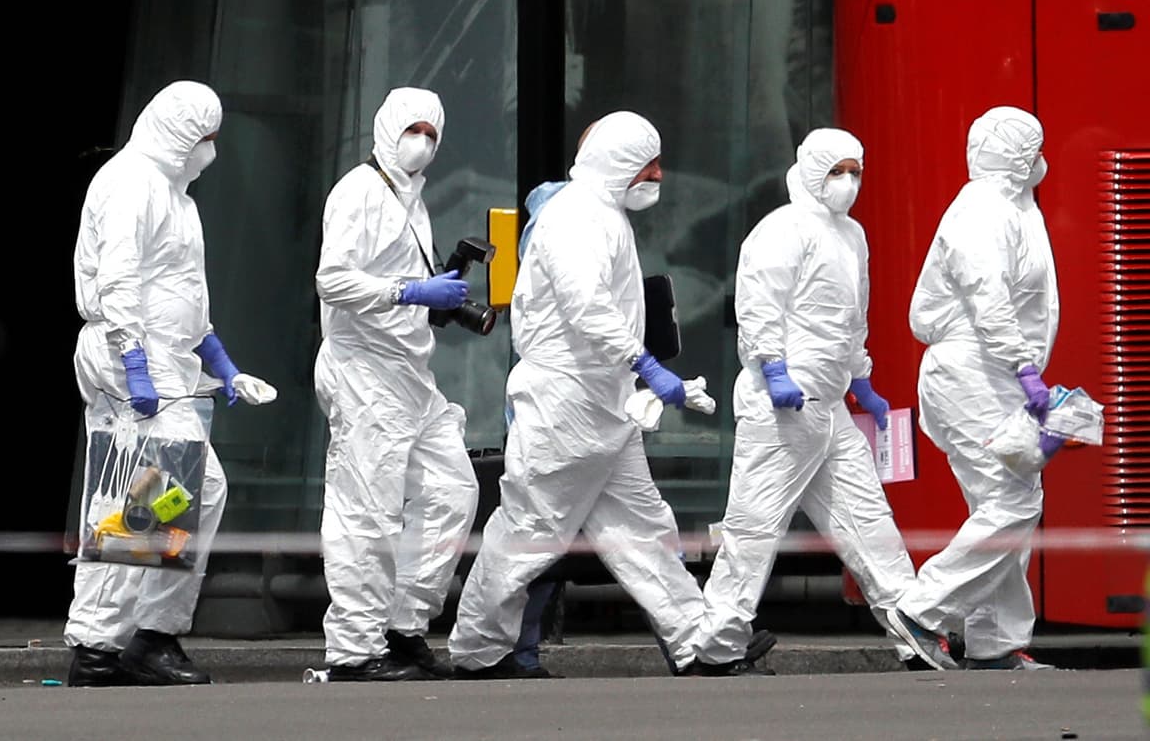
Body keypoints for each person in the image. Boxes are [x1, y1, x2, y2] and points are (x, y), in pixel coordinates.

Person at [447, 110, 714, 678]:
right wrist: (644, 362)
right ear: (620, 163)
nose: (658, 176)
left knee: (644, 530)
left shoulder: (601, 214)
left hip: (602, 404)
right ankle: (478, 652)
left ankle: (699, 644)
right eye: (649, 165)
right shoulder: (577, 217)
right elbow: (585, 304)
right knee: (529, 532)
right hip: (566, 403)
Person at [67, 80, 277, 687]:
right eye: (204, 140)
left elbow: (185, 299)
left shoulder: (177, 196)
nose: (210, 151)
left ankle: (152, 634)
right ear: (180, 135)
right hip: (129, 357)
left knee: (194, 491)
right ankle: (98, 645)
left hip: (168, 363)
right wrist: (133, 362)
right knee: (142, 497)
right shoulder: (132, 183)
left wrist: (224, 366)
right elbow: (120, 283)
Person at [690, 127, 919, 675]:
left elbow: (850, 315)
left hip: (828, 406)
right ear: (813, 171)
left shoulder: (852, 235)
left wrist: (860, 378)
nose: (848, 183)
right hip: (781, 407)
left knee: (868, 519)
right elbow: (759, 303)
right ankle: (718, 646)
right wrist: (772, 366)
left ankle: (918, 631)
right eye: (837, 171)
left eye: (855, 171)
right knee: (755, 527)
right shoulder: (782, 229)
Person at [887, 106, 1062, 672]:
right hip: (975, 373)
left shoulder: (1013, 207)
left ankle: (995, 643)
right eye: (1031, 147)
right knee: (1014, 501)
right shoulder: (984, 209)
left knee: (999, 503)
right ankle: (921, 610)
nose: (1040, 158)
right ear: (1016, 154)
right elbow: (987, 296)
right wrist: (1024, 367)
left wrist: (1023, 369)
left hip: (994, 375)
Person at [314, 87, 480, 682]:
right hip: (364, 370)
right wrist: (410, 292)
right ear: (387, 127)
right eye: (414, 129)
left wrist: (436, 294)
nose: (423, 143)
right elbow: (332, 280)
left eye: (433, 134)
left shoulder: (414, 199)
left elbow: (396, 278)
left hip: (411, 372)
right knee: (368, 509)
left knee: (452, 491)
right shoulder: (358, 192)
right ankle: (354, 649)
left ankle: (401, 625)